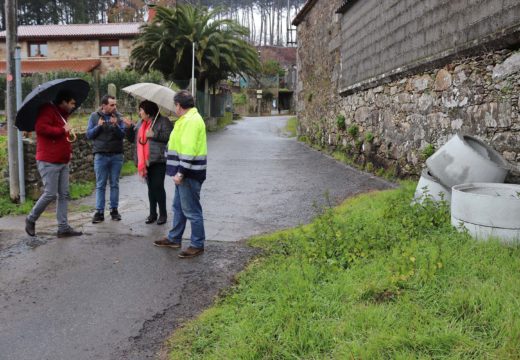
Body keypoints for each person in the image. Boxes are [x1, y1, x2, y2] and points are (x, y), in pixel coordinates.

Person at [154, 90, 207, 258]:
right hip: (183, 173)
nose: (174, 107)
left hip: (188, 174)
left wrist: (181, 173)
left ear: (178, 105)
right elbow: (177, 144)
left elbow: (189, 150)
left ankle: (197, 244)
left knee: (191, 210)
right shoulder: (185, 120)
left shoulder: (191, 121)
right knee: (178, 208)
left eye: (174, 104)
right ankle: (174, 238)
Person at [25, 90, 83, 238]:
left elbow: (63, 136)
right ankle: (31, 219)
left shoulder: (62, 115)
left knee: (64, 194)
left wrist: (67, 147)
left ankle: (63, 228)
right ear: (63, 102)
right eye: (71, 103)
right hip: (48, 160)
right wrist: (61, 130)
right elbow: (40, 128)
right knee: (50, 193)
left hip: (62, 160)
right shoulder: (47, 110)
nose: (73, 106)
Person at [124, 100, 173, 225]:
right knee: (151, 188)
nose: (139, 112)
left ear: (148, 111)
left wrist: (154, 134)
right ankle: (152, 214)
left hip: (158, 160)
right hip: (144, 161)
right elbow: (132, 139)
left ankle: (163, 214)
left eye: (141, 110)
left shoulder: (164, 121)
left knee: (158, 187)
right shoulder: (141, 123)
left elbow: (170, 137)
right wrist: (129, 128)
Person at [86, 95, 127, 223]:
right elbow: (89, 135)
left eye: (115, 104)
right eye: (112, 105)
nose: (114, 107)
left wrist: (116, 126)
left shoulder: (118, 117)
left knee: (114, 183)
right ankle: (99, 212)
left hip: (116, 155)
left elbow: (122, 135)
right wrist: (98, 126)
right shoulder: (94, 116)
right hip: (101, 155)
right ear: (104, 105)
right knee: (100, 185)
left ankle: (114, 210)